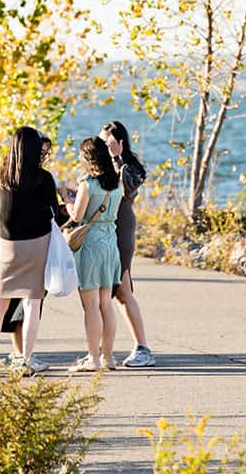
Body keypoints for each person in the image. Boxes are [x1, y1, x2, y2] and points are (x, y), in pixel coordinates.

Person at [0, 127, 58, 376]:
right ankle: (26, 359)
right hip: (37, 246)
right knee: (32, 304)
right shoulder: (43, 179)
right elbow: (54, 210)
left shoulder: (2, 180)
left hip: (8, 247)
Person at [100, 121, 156, 367]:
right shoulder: (101, 166)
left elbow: (125, 190)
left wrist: (116, 159)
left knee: (122, 289)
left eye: (108, 142)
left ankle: (142, 348)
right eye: (101, 142)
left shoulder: (130, 168)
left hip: (121, 228)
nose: (104, 147)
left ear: (120, 143)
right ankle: (100, 351)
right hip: (103, 230)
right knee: (105, 293)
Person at [65, 137, 123, 372]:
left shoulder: (88, 184)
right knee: (106, 304)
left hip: (90, 244)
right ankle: (108, 357)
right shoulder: (118, 182)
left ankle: (93, 357)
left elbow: (77, 217)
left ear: (88, 159)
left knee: (90, 306)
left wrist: (66, 201)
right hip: (111, 242)